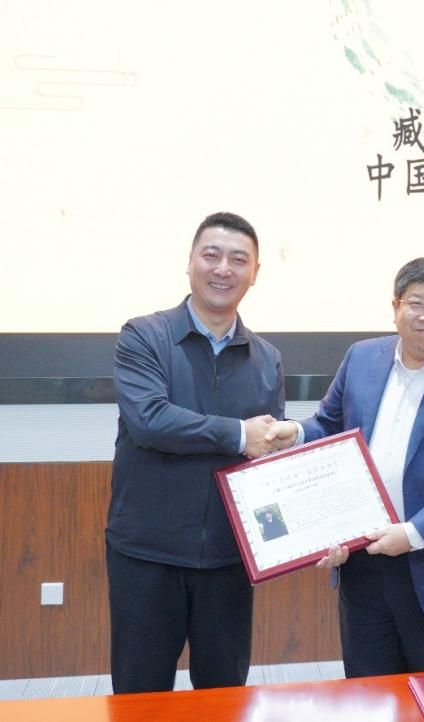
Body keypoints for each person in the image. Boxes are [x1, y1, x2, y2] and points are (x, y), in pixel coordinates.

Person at [263, 256, 424, 677]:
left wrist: (412, 534)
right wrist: (296, 432)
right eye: (417, 303)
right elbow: (330, 425)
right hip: (364, 563)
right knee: (369, 694)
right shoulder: (361, 357)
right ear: (395, 306)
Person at [106, 211, 285, 693]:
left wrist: (289, 537)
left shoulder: (267, 358)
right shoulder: (144, 335)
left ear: (255, 272)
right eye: (211, 255)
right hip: (148, 552)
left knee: (223, 694)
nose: (223, 269)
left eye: (238, 259)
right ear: (190, 262)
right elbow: (149, 420)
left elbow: (264, 460)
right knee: (141, 695)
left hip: (228, 559)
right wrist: (237, 434)